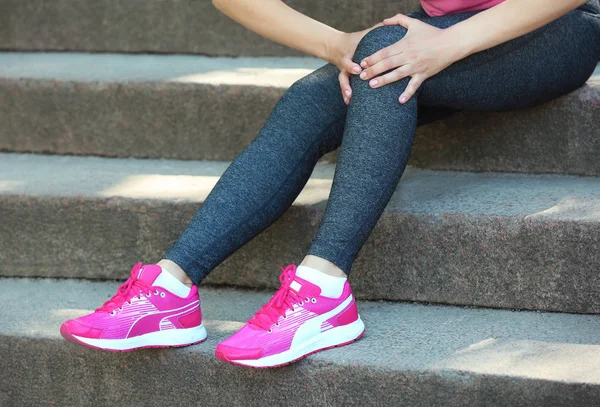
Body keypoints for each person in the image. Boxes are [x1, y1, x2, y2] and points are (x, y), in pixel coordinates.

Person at [60, 0, 600, 367]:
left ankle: (324, 290)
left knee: (384, 57)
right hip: (442, 27)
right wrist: (335, 42)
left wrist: (448, 44)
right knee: (316, 94)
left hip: (553, 27)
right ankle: (170, 287)